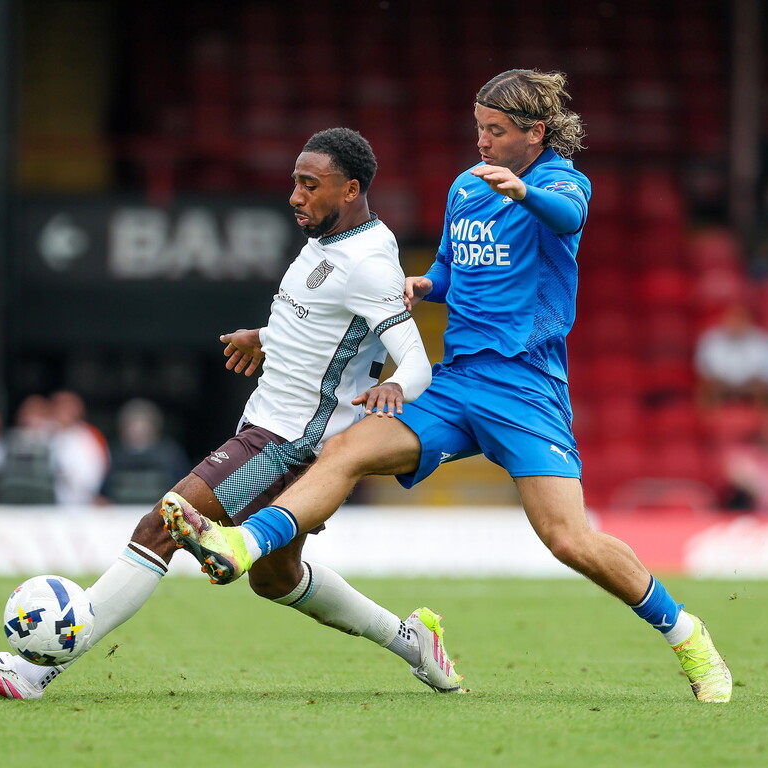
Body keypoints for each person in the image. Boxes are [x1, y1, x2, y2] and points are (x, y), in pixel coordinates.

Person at [175, 70, 733, 703]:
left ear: (535, 133)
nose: (483, 141)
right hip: (458, 381)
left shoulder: (561, 183)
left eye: (496, 130)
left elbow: (567, 215)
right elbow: (449, 265)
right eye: (479, 128)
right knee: (344, 449)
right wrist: (425, 284)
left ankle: (686, 634)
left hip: (525, 389)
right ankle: (244, 543)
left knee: (568, 540)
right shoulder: (467, 186)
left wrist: (524, 191)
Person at [0, 127, 462, 699]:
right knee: (277, 579)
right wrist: (266, 335)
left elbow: (415, 364)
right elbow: (329, 325)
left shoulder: (368, 264)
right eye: (295, 182)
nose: (295, 196)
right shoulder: (331, 239)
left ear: (351, 189)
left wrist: (395, 389)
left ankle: (33, 671)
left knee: (161, 526)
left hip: (284, 445)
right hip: (272, 430)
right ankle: (412, 641)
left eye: (310, 185)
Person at [99, 398, 190, 505]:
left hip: (161, 511)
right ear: (122, 429)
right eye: (133, 426)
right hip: (120, 512)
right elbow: (102, 494)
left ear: (154, 428)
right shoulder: (112, 454)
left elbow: (185, 489)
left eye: (143, 426)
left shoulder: (171, 455)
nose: (137, 432)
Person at [694, 301, 768, 409]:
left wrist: (751, 381)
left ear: (749, 320)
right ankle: (709, 419)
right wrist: (719, 381)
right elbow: (705, 369)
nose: (736, 323)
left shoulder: (762, 340)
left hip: (752, 384)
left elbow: (766, 370)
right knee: (705, 387)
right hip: (720, 383)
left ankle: (765, 419)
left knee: (766, 388)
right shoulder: (711, 339)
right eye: (733, 319)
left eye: (741, 319)